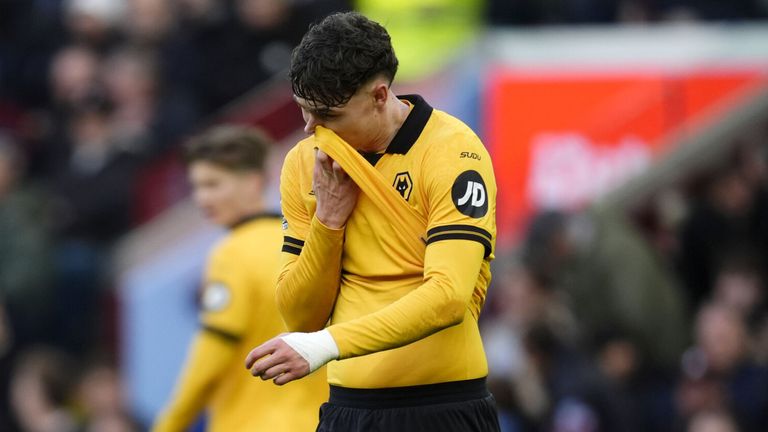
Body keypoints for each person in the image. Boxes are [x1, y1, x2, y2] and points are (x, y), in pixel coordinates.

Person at [245, 12, 500, 431]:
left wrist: (327, 345)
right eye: (304, 112)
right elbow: (300, 317)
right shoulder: (304, 165)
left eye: (327, 114)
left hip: (444, 408)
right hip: (347, 412)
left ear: (380, 96)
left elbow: (448, 297)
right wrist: (328, 223)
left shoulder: (453, 152)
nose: (312, 129)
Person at [153, 125, 328, 432]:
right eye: (196, 187)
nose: (201, 198)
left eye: (213, 184)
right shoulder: (306, 242)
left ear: (253, 181)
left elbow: (212, 357)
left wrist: (168, 425)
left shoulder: (230, 254)